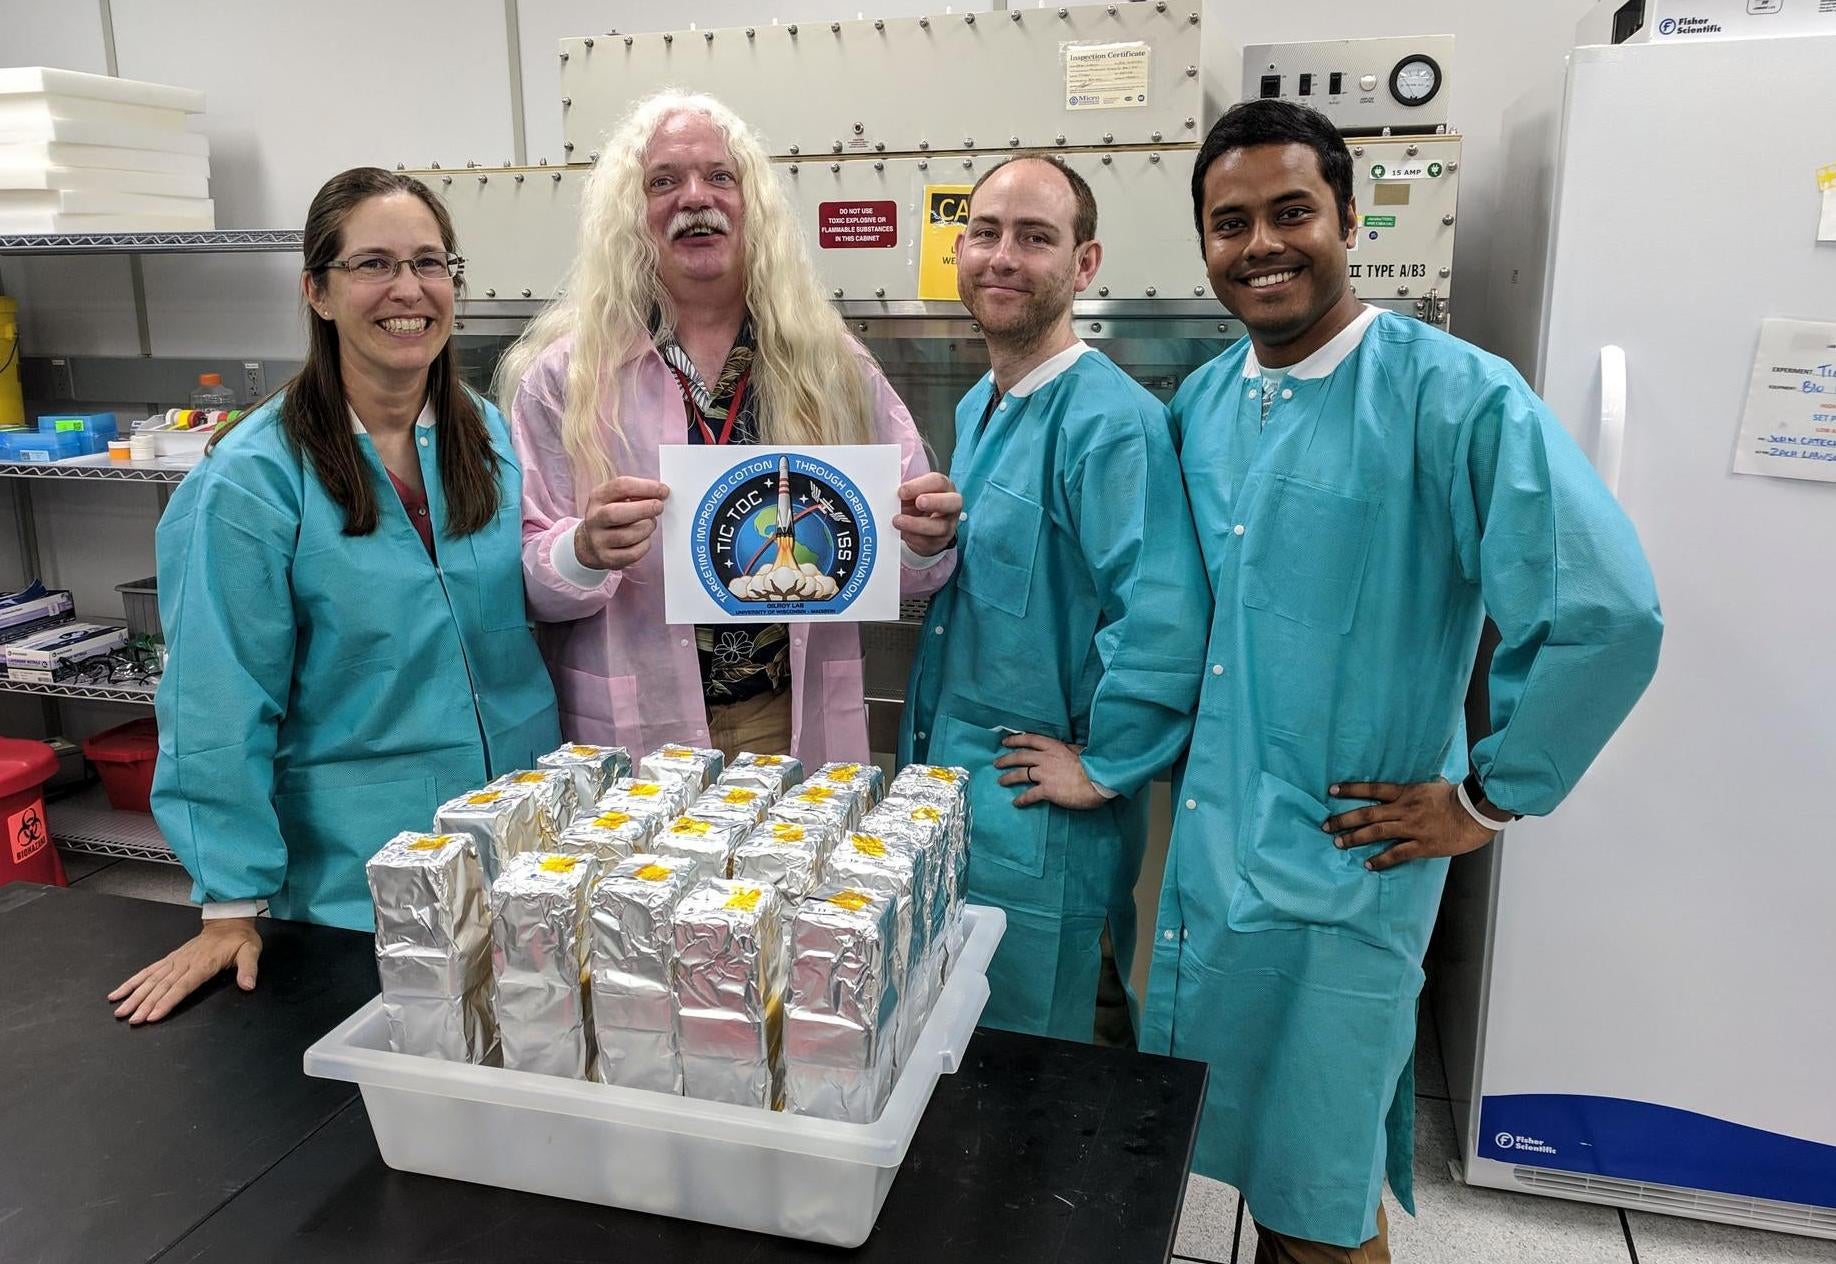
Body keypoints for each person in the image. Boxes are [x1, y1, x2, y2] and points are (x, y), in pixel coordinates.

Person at [1140, 100, 1663, 1260]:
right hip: (1218, 853)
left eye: (1292, 212)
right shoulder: (1205, 403)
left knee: (1319, 1205)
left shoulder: (1456, 397)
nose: (1261, 245)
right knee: (1257, 1160)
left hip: (1349, 866)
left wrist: (1488, 799)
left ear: (1347, 219)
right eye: (1231, 223)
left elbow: (1607, 612)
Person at [109, 168, 561, 1025]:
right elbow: (216, 697)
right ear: (317, 291)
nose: (408, 289)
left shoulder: (485, 436)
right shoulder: (252, 480)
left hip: (521, 856)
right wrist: (229, 904)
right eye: (373, 264)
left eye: (429, 263)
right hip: (361, 882)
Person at [499, 91, 960, 763]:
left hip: (786, 714)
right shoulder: (564, 378)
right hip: (634, 724)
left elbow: (909, 563)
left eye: (720, 176)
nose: (695, 197)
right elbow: (521, 578)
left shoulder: (830, 365)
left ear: (752, 205)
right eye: (663, 182)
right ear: (631, 214)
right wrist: (583, 549)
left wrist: (923, 540)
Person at [899, 156, 1208, 1044]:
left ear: (1084, 263)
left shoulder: (1111, 424)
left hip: (1042, 824)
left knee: (1042, 1060)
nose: (1003, 256)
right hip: (961, 791)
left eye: (1036, 237)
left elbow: (1163, 620)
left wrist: (1104, 765)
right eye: (985, 233)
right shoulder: (983, 405)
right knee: (961, 1048)